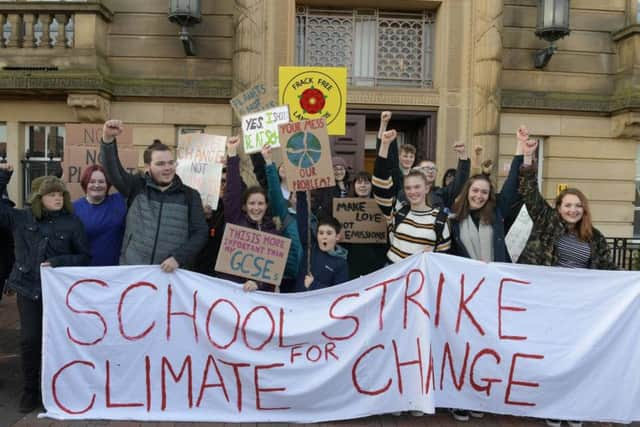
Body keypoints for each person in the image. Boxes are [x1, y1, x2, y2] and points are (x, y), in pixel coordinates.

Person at [518, 137, 616, 427]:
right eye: (568, 205)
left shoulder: (594, 237)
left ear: (584, 210)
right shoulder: (547, 222)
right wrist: (527, 157)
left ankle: (573, 407)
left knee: (576, 356)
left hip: (578, 307)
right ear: (559, 207)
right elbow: (529, 192)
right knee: (550, 354)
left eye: (578, 206)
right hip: (547, 302)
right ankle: (551, 405)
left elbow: (605, 268)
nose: (573, 210)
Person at [0, 164, 90, 413]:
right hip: (28, 289)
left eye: (60, 194)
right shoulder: (20, 218)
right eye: (52, 194)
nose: (57, 198)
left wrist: (60, 262)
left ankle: (56, 387)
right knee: (29, 339)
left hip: (58, 294)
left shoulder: (72, 223)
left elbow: (84, 256)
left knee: (57, 341)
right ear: (39, 198)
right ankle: (30, 390)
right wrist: (3, 177)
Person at [100, 120, 208, 271]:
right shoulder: (136, 186)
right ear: (147, 167)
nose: (167, 168)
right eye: (160, 164)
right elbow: (113, 171)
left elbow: (201, 233)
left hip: (171, 275)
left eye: (171, 163)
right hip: (134, 271)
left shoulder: (190, 195)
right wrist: (108, 140)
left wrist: (179, 257)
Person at [373, 129, 452, 265]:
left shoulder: (440, 219)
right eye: (408, 188)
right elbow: (380, 184)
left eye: (417, 187)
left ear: (426, 188)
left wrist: (433, 254)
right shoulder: (397, 212)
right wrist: (384, 145)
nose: (412, 192)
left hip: (421, 280)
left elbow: (444, 259)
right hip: (394, 276)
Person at [224, 136, 283, 291]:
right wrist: (232, 154)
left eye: (260, 203)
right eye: (251, 203)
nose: (256, 208)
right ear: (244, 206)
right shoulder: (236, 221)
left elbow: (272, 275)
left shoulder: (273, 233)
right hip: (234, 292)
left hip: (261, 298)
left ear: (266, 206)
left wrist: (258, 284)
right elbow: (233, 190)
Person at [262, 144, 303, 292]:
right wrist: (268, 162)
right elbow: (274, 190)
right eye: (294, 195)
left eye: (301, 196)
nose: (298, 199)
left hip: (307, 275)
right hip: (287, 275)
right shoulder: (285, 214)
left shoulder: (313, 220)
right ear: (290, 199)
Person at [72, 164, 126, 266]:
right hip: (86, 271)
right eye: (92, 182)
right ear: (85, 184)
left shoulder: (120, 201)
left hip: (117, 269)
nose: (97, 185)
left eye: (101, 182)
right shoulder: (74, 208)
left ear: (107, 184)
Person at [296, 189, 349, 291]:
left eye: (329, 233)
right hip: (297, 303)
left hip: (320, 306)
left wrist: (313, 285)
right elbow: (302, 220)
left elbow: (339, 293)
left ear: (337, 237)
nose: (324, 236)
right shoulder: (310, 247)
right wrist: (301, 193)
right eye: (321, 233)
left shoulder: (341, 263)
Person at [343, 171, 387, 279]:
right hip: (351, 263)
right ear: (354, 185)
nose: (363, 185)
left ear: (372, 186)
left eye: (367, 183)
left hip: (375, 264)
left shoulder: (381, 206)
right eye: (359, 182)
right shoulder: (344, 207)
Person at [193, 169, 226, 277]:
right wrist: (204, 218)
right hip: (200, 269)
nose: (222, 185)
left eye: (225, 181)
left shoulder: (233, 210)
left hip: (222, 272)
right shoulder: (199, 207)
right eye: (219, 181)